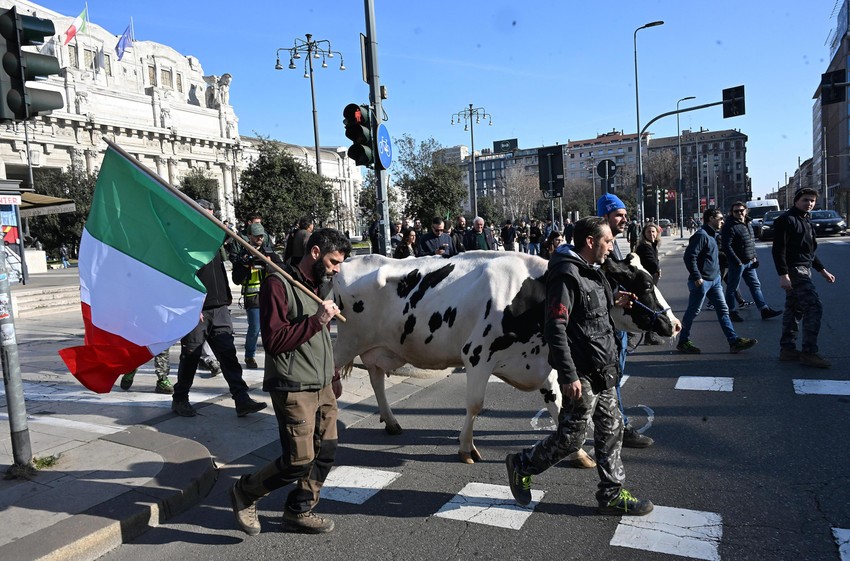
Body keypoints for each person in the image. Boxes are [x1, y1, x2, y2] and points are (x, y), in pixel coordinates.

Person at [504, 216, 653, 516]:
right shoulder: (566, 275)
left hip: (603, 369)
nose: (612, 246)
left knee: (612, 431)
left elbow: (590, 311)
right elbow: (555, 328)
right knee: (571, 438)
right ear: (590, 241)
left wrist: (616, 300)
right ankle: (522, 464)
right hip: (582, 373)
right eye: (607, 241)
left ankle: (611, 493)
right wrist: (568, 375)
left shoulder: (593, 271)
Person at [230, 228, 351, 536]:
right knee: (298, 460)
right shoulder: (278, 283)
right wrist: (318, 320)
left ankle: (299, 510)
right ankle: (246, 492)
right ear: (315, 253)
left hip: (322, 383)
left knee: (327, 450)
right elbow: (274, 340)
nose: (337, 269)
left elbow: (322, 338)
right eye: (334, 261)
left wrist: (333, 375)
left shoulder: (318, 284)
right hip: (293, 385)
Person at [171, 199, 268, 418]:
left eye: (213, 215)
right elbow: (180, 278)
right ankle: (180, 398)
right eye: (206, 215)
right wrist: (190, 305)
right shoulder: (186, 243)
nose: (211, 219)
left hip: (220, 307)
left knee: (228, 354)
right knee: (191, 355)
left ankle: (241, 399)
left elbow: (236, 238)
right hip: (197, 310)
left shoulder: (214, 239)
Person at [596, 194, 654, 449]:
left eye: (624, 214)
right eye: (618, 214)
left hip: (619, 323)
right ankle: (620, 426)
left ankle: (611, 425)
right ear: (605, 216)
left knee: (612, 378)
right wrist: (614, 297)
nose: (624, 218)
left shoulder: (616, 243)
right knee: (610, 379)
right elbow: (594, 284)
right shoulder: (598, 246)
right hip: (607, 324)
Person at [677, 208, 758, 355]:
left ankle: (733, 341)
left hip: (715, 280)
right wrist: (697, 277)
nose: (722, 221)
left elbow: (712, 255)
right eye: (720, 219)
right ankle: (683, 341)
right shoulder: (701, 235)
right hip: (702, 281)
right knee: (693, 312)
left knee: (723, 311)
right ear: (710, 219)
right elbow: (689, 257)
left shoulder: (713, 235)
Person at [771, 188, 836, 369]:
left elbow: (808, 252)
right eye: (806, 200)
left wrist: (822, 271)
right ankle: (809, 352)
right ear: (796, 201)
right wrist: (783, 275)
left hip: (804, 268)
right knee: (814, 306)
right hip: (794, 270)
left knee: (794, 309)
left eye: (812, 201)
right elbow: (779, 250)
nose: (810, 204)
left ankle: (788, 349)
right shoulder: (786, 220)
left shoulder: (805, 219)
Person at [232, 222, 283, 369]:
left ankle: (273, 355)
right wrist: (246, 265)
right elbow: (237, 279)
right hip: (253, 297)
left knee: (272, 327)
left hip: (270, 296)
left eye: (261, 236)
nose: (259, 239)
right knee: (255, 327)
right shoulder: (243, 255)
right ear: (249, 236)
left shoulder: (269, 253)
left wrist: (270, 264)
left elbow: (283, 269)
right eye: (256, 236)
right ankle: (249, 356)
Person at [720, 202, 782, 322]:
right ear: (731, 213)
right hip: (737, 263)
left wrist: (755, 258)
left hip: (749, 262)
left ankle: (764, 309)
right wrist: (737, 261)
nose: (739, 213)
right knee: (732, 288)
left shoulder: (748, 223)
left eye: (741, 210)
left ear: (746, 211)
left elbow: (751, 244)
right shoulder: (729, 226)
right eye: (736, 211)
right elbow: (726, 246)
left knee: (755, 285)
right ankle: (731, 312)